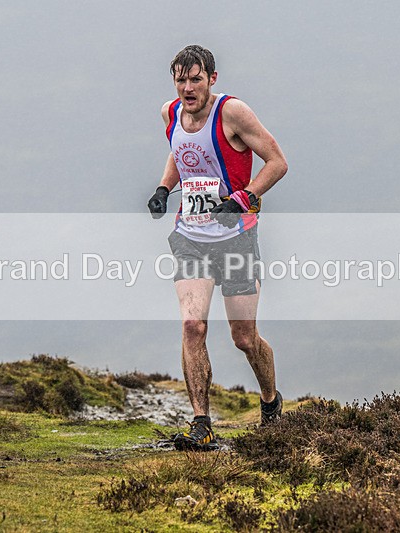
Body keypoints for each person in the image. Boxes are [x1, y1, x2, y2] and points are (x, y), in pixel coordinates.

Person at [147, 45, 288, 451]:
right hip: (190, 236)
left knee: (244, 337)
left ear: (212, 78)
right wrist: (163, 189)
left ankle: (269, 403)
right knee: (193, 325)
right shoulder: (170, 113)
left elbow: (277, 162)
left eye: (196, 79)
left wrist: (244, 198)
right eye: (181, 80)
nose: (188, 88)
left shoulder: (233, 113)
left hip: (237, 237)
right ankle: (201, 423)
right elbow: (181, 153)